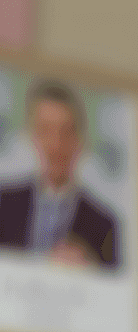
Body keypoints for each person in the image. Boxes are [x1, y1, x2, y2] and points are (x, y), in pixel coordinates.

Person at [0, 78, 120, 268]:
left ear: (80, 141)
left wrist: (89, 270)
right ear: (33, 137)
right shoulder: (4, 204)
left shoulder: (104, 225)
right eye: (46, 131)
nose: (56, 145)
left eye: (66, 131)